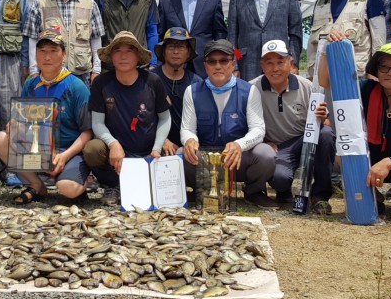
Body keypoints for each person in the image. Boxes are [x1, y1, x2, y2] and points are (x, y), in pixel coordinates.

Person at [319, 36, 391, 221]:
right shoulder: (365, 89)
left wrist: (388, 163)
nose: (390, 72)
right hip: (373, 157)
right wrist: (328, 49)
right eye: (384, 67)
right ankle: (375, 197)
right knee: (342, 153)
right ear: (377, 71)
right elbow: (327, 82)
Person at [0, 27, 93, 204]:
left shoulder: (77, 87)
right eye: (42, 51)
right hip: (38, 150)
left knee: (68, 189)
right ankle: (36, 185)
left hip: (67, 151)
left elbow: (87, 132)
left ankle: (80, 180)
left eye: (53, 51)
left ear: (64, 55)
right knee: (1, 138)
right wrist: (15, 125)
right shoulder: (30, 84)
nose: (47, 57)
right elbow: (22, 121)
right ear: (36, 55)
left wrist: (65, 156)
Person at [181, 39, 276, 208]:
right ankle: (201, 192)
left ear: (233, 64)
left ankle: (253, 193)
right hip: (204, 160)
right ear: (205, 65)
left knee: (265, 154)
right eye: (212, 61)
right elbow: (187, 128)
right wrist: (189, 140)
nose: (218, 66)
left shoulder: (249, 91)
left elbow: (258, 130)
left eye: (224, 61)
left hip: (236, 159)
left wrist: (239, 145)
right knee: (181, 153)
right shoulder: (192, 91)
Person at [83, 31, 171, 204]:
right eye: (117, 50)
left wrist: (157, 148)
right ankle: (113, 185)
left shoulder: (153, 81)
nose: (123, 56)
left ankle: (148, 183)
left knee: (175, 156)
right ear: (110, 56)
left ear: (138, 56)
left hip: (148, 151)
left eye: (129, 50)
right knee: (92, 149)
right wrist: (113, 144)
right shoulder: (101, 83)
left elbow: (165, 118)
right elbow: (97, 123)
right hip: (116, 154)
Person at [251, 39, 335, 213]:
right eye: (269, 63)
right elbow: (247, 124)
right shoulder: (252, 88)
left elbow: (326, 124)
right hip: (276, 146)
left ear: (290, 63)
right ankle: (284, 190)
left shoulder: (308, 87)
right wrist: (263, 141)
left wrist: (322, 117)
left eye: (280, 62)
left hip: (304, 139)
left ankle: (320, 195)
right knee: (280, 179)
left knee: (326, 134)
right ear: (262, 65)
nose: (275, 69)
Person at [24, 0, 104, 85]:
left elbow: (96, 40)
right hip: (49, 75)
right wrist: (34, 71)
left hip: (81, 75)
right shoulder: (40, 4)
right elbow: (32, 41)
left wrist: (96, 70)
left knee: (82, 106)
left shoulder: (89, 4)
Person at [307, 0, 386, 79]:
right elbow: (311, 44)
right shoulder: (320, 3)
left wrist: (375, 74)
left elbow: (379, 40)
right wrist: (310, 76)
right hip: (321, 79)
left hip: (356, 78)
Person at [157, 0, 227, 75]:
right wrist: (159, 63)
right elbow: (160, 35)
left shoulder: (213, 1)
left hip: (204, 64)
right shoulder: (166, 2)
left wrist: (219, 61)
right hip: (174, 65)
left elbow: (219, 34)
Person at [151, 27, 202, 157]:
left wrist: (191, 142)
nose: (176, 51)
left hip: (189, 146)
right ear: (163, 51)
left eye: (181, 47)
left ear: (188, 52)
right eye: (171, 46)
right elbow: (143, 116)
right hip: (154, 144)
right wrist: (162, 141)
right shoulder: (150, 79)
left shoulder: (196, 83)